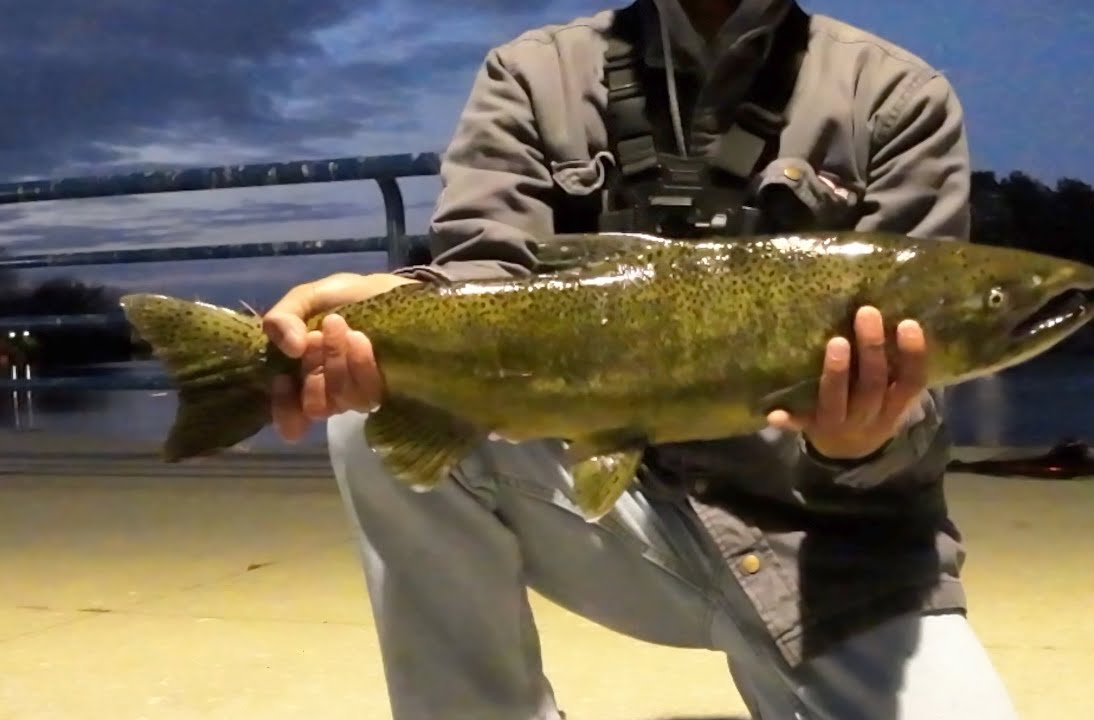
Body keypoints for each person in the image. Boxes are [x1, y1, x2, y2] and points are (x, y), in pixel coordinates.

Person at [262, 0, 1021, 718]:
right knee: (374, 415)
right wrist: (398, 299)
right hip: (624, 521)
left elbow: (918, 405)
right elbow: (481, 276)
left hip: (828, 553)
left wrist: (863, 441)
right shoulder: (531, 76)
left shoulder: (897, 97)